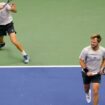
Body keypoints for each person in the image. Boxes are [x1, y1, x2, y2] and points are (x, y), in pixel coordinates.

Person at [79, 34, 105, 105]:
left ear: (99, 42)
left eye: (94, 42)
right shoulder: (86, 50)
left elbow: (104, 59)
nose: (92, 43)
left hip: (97, 73)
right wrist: (87, 71)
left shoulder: (103, 50)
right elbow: (81, 61)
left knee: (96, 91)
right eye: (91, 42)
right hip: (86, 73)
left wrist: (102, 68)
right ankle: (87, 93)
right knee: (86, 89)